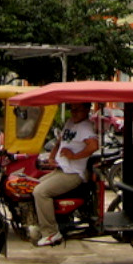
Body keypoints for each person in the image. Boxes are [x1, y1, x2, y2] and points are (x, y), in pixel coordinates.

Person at [33, 102, 98, 246]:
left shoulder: (85, 127)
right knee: (30, 185)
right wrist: (51, 157)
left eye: (77, 109)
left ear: (87, 110)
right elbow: (59, 141)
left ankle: (51, 233)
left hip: (73, 174)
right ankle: (38, 223)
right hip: (60, 169)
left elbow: (94, 146)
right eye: (72, 109)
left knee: (40, 192)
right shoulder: (70, 122)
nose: (74, 112)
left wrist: (74, 156)